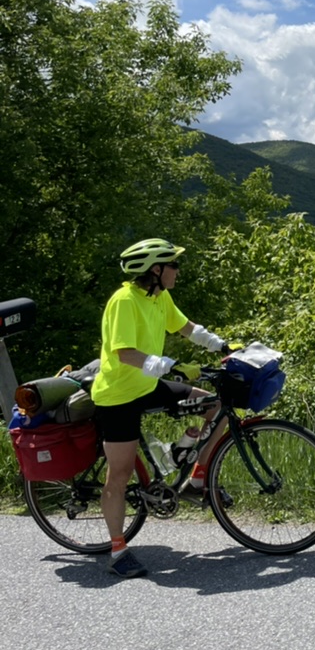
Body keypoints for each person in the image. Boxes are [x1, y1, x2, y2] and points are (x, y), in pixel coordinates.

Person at [91, 238, 228, 578]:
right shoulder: (124, 301)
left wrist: (222, 344)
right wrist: (172, 366)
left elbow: (186, 327)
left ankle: (196, 479)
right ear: (156, 270)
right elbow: (125, 354)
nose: (178, 271)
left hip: (149, 386)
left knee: (215, 406)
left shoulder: (158, 296)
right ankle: (118, 551)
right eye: (174, 265)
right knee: (119, 476)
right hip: (119, 395)